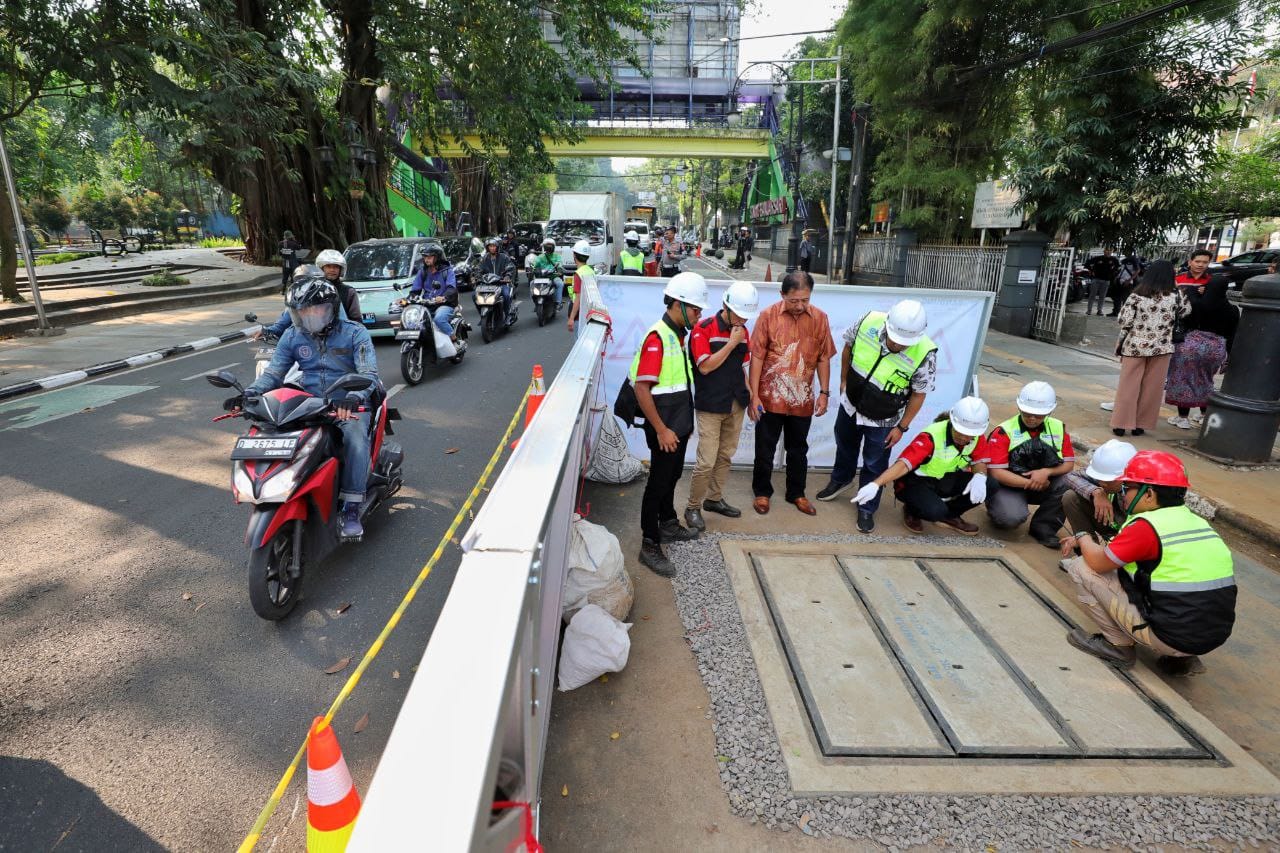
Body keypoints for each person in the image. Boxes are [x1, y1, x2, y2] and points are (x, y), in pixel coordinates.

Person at [1063, 450, 1235, 676]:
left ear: (1149, 494)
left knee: (1081, 567)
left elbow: (1097, 562)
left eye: (1127, 489)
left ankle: (1118, 647)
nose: (1123, 495)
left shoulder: (1146, 526)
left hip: (1173, 637)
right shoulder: (1197, 522)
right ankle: (1182, 659)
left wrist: (1082, 535)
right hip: (1213, 635)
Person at [241, 274, 380, 540]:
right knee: (275, 433)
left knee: (354, 438)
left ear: (330, 308)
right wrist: (251, 392)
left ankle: (351, 506)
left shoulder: (355, 332)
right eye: (302, 310)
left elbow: (369, 374)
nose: (308, 315)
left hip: (348, 404)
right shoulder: (293, 335)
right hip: (309, 403)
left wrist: (354, 396)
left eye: (314, 308)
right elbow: (273, 374)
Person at [613, 272, 709, 577]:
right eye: (696, 309)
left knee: (672, 475)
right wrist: (663, 430)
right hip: (664, 428)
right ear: (678, 305)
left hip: (676, 424)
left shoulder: (678, 335)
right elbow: (643, 389)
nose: (699, 314)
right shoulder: (657, 338)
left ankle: (667, 523)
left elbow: (677, 385)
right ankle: (649, 543)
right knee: (658, 483)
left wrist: (682, 425)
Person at [816, 299, 936, 534]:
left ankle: (867, 506)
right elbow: (848, 348)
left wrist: (902, 427)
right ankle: (841, 479)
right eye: (895, 339)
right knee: (845, 444)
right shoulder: (868, 320)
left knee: (875, 462)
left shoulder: (925, 352)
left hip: (884, 418)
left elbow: (919, 393)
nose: (898, 345)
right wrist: (843, 380)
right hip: (851, 404)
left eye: (904, 343)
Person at [748, 271, 836, 516]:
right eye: (794, 300)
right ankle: (762, 492)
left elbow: (823, 357)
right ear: (782, 295)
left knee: (798, 449)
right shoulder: (767, 316)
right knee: (764, 448)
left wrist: (824, 393)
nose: (799, 306)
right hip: (769, 397)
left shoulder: (820, 318)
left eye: (804, 300)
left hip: (802, 399)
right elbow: (756, 357)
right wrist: (754, 395)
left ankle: (796, 493)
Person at [853, 397, 992, 535]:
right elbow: (903, 465)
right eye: (961, 432)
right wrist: (876, 484)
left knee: (990, 484)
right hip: (916, 483)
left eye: (971, 435)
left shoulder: (977, 437)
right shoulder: (931, 436)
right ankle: (912, 510)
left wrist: (980, 476)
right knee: (934, 511)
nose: (965, 438)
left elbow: (979, 460)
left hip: (945, 480)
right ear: (952, 421)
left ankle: (949, 516)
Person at [684, 281, 759, 532]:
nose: (744, 320)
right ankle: (693, 506)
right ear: (726, 306)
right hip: (710, 405)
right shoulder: (702, 329)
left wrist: (751, 397)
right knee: (706, 461)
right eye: (740, 314)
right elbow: (704, 366)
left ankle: (714, 499)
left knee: (726, 455)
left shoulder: (743, 330)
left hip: (735, 402)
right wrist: (730, 342)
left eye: (747, 316)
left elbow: (743, 366)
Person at [985, 381, 1075, 548]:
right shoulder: (1004, 431)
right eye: (1027, 413)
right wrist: (1032, 482)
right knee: (1009, 518)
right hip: (1009, 485)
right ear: (1019, 407)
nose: (1032, 418)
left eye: (1038, 415)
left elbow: (1069, 464)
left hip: (1043, 481)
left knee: (1070, 482)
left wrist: (1045, 472)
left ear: (1050, 411)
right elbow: (996, 473)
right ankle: (998, 506)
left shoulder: (1058, 428)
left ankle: (1044, 527)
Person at [1111, 260, 1190, 436]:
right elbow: (1186, 312)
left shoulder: (1137, 295)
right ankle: (1140, 425)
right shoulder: (1177, 295)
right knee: (1152, 389)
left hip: (1135, 346)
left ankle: (1121, 424)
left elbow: (1124, 321)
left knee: (1128, 386)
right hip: (1162, 348)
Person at [1165, 272, 1237, 430]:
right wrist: (1228, 356)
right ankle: (1204, 415)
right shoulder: (1232, 310)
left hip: (1191, 346)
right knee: (1205, 380)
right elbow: (1232, 334)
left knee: (1184, 380)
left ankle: (1183, 418)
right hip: (1216, 348)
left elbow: (1185, 318)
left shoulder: (1198, 304)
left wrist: (1192, 293)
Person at [1059, 439, 1138, 569]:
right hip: (1114, 522)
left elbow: (1134, 535)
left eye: (1106, 481)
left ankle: (1100, 561)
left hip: (1128, 538)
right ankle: (1087, 557)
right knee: (1071, 498)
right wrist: (1095, 492)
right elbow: (1071, 476)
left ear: (1125, 477)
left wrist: (1082, 538)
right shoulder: (1110, 474)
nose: (1102, 483)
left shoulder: (1141, 496)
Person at [261, 252, 360, 338]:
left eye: (335, 267)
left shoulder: (335, 295)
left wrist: (351, 337)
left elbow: (349, 323)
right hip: (302, 339)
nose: (332, 270)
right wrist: (268, 331)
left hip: (332, 339)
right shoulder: (300, 296)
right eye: (328, 266)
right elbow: (286, 318)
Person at [408, 243, 460, 339]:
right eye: (425, 257)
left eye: (430, 257)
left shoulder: (447, 271)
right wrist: (408, 299)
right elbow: (415, 290)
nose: (426, 259)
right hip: (427, 304)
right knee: (413, 320)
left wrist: (443, 297)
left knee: (439, 319)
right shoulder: (423, 272)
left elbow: (451, 289)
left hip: (445, 304)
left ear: (437, 258)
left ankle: (454, 338)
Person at [480, 236, 516, 318]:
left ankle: (507, 315)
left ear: (497, 247)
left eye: (494, 246)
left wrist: (507, 276)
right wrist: (477, 278)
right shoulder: (484, 258)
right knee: (474, 295)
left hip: (501, 284)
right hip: (488, 285)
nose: (492, 248)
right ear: (487, 248)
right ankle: (483, 315)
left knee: (506, 295)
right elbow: (479, 270)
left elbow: (510, 267)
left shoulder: (504, 257)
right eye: (490, 246)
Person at [565, 240, 594, 333]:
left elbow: (578, 297)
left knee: (579, 342)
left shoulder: (578, 274)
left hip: (579, 314)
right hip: (588, 312)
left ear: (574, 255)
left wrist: (571, 318)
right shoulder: (590, 271)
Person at [531, 238, 566, 308]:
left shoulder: (557, 256)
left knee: (560, 284)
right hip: (541, 277)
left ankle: (558, 303)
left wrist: (559, 269)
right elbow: (534, 264)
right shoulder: (540, 257)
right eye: (547, 246)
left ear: (553, 247)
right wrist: (531, 268)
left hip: (553, 276)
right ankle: (535, 301)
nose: (549, 247)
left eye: (550, 246)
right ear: (544, 247)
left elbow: (559, 264)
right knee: (531, 283)